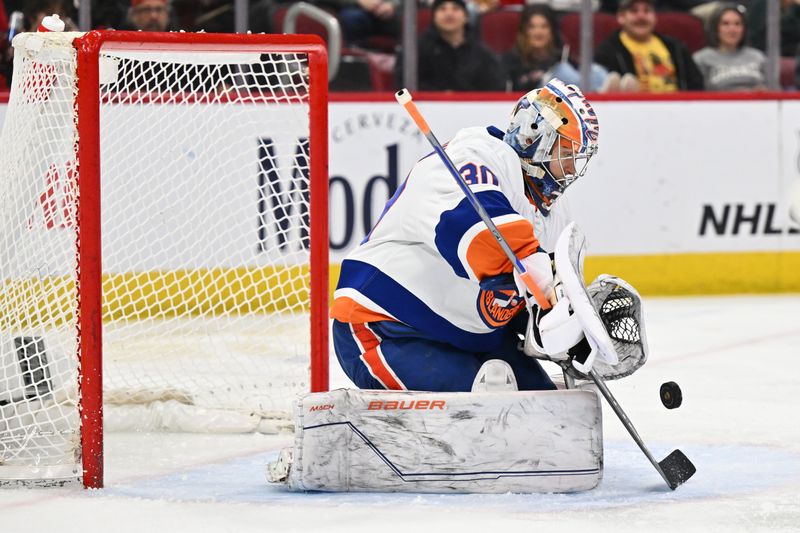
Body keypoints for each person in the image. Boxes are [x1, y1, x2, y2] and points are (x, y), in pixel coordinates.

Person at [330, 78, 600, 392]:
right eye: (565, 153)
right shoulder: (476, 154)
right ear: (534, 136)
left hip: (474, 341)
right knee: (492, 411)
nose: (569, 169)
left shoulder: (553, 213)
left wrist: (558, 328)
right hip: (386, 327)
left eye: (575, 159)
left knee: (548, 410)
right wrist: (531, 262)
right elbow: (471, 229)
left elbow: (531, 308)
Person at [594, 0, 705, 91]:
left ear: (655, 17)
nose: (641, 16)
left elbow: (696, 84)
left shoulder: (676, 47)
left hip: (678, 108)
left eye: (647, 11)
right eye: (634, 11)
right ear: (621, 17)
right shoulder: (608, 51)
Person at [395, 0, 505, 91]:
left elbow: (495, 85)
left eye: (455, 8)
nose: (449, 14)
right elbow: (403, 84)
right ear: (433, 17)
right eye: (442, 9)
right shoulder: (417, 50)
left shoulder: (482, 53)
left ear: (466, 17)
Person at [503, 4, 609, 92]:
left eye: (544, 26)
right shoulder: (513, 59)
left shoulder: (561, 55)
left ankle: (610, 85)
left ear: (551, 31)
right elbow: (515, 87)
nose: (538, 32)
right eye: (532, 27)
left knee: (593, 69)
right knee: (562, 71)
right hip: (536, 102)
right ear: (524, 31)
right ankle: (599, 88)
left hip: (565, 102)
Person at [692, 3, 766, 91]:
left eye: (737, 24)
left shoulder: (758, 57)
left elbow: (775, 90)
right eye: (725, 24)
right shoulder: (701, 59)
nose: (732, 29)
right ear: (715, 28)